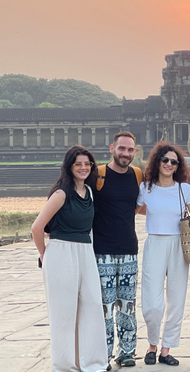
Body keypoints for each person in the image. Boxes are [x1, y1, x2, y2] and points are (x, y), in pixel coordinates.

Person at [31, 146, 109, 372]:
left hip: (85, 252)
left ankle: (92, 363)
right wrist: (44, 254)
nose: (84, 168)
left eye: (87, 164)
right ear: (69, 166)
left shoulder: (90, 192)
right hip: (60, 252)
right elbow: (37, 227)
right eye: (78, 164)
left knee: (93, 305)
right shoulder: (61, 194)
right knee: (64, 312)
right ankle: (65, 366)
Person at [138, 142, 190, 366]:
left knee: (176, 299)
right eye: (165, 160)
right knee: (152, 302)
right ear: (157, 161)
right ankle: (151, 344)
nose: (169, 164)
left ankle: (166, 349)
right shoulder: (146, 188)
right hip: (155, 243)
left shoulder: (184, 189)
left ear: (178, 165)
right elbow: (136, 209)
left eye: (174, 161)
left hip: (179, 245)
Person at [93, 131, 141, 368]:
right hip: (102, 251)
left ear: (135, 151)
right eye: (121, 149)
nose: (126, 153)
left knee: (127, 304)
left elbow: (140, 206)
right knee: (105, 305)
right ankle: (104, 354)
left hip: (129, 249)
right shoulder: (97, 175)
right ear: (112, 148)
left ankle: (128, 351)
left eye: (130, 150)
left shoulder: (137, 175)